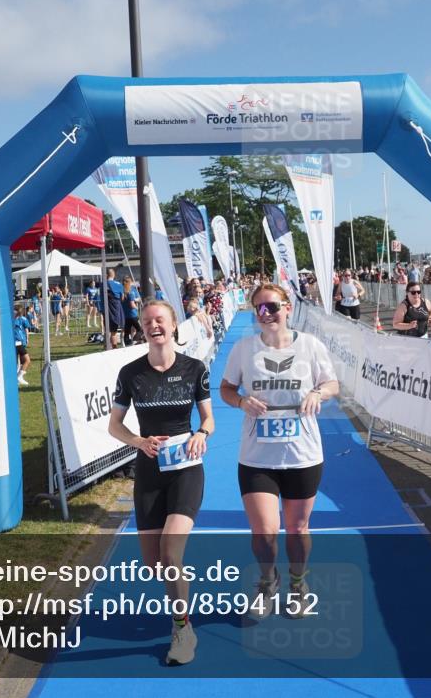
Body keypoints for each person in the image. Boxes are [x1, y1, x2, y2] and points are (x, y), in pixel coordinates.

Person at [219, 283, 340, 621]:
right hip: (258, 457)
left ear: (287, 307)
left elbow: (332, 384)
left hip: (303, 454)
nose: (266, 314)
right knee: (265, 530)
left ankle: (299, 585)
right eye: (259, 308)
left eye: (272, 306)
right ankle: (266, 582)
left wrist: (319, 393)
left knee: (298, 529)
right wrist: (242, 400)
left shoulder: (311, 346)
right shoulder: (244, 349)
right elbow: (227, 388)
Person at [108, 300, 213, 665]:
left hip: (186, 467)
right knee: (154, 564)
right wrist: (139, 441)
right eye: (149, 320)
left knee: (170, 553)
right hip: (149, 470)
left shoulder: (194, 368)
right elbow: (114, 426)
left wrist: (201, 434)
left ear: (173, 326)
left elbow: (209, 419)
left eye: (161, 320)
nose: (155, 326)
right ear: (143, 327)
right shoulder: (130, 373)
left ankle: (182, 629)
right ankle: (180, 598)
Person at [13, 303, 33, 386]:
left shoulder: (22, 319)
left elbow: (26, 329)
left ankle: (19, 377)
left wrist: (27, 338)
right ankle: (18, 377)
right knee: (24, 361)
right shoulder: (13, 320)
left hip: (21, 343)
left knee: (24, 361)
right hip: (16, 343)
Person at [122, 276, 143, 345]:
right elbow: (132, 305)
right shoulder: (129, 292)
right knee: (140, 330)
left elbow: (138, 298)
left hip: (126, 315)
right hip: (133, 314)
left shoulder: (123, 291)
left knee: (127, 331)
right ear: (129, 282)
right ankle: (134, 341)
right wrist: (137, 308)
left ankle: (128, 344)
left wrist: (136, 300)